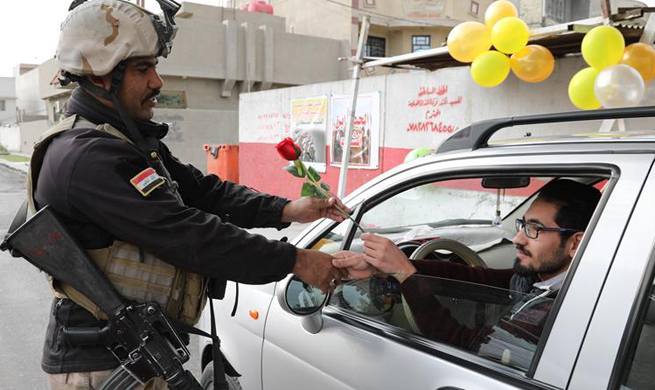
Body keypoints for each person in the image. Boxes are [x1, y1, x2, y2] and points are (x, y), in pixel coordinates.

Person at [31, 1, 348, 389]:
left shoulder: (124, 140)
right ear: (100, 77)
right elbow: (186, 233)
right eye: (143, 69)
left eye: (155, 67)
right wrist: (295, 260)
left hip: (139, 350)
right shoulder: (86, 155)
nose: (157, 82)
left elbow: (202, 192)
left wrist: (286, 209)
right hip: (103, 365)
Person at [333, 179, 601, 365]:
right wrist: (389, 268)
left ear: (575, 243)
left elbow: (466, 345)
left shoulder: (557, 309)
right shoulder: (538, 278)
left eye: (535, 229)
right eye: (522, 224)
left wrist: (405, 274)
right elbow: (480, 279)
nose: (518, 238)